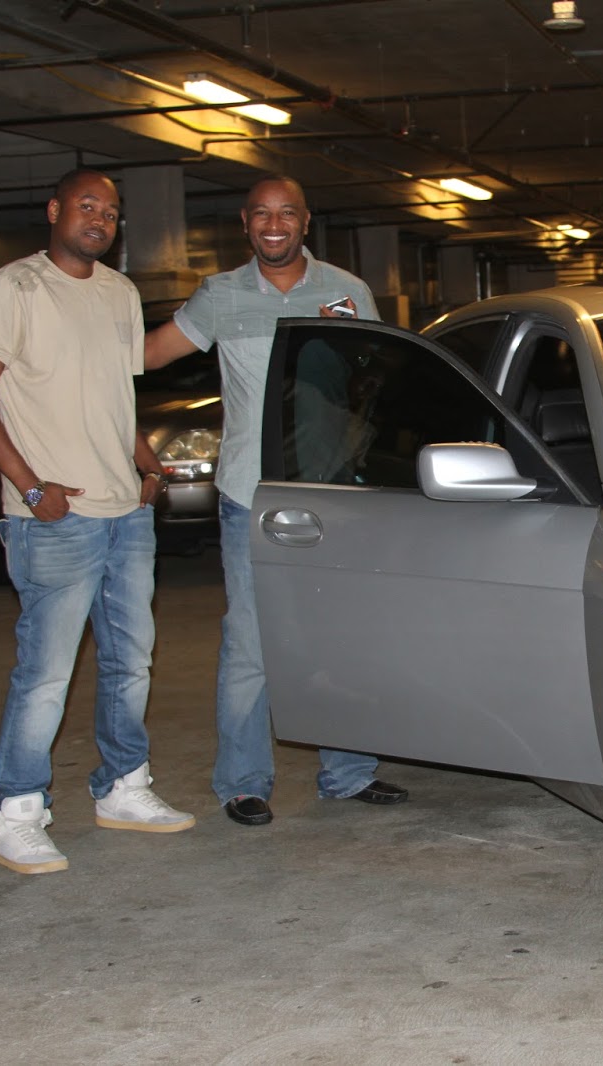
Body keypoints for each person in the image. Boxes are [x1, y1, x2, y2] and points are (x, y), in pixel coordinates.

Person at [144, 174, 408, 826]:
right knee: (251, 643)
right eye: (261, 214)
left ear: (305, 221)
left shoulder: (347, 291)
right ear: (245, 222)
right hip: (250, 495)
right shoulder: (221, 295)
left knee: (339, 637)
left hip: (334, 494)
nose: (273, 225)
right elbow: (146, 355)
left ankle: (347, 773)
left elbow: (382, 377)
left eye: (286, 213)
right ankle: (243, 783)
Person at [0, 168, 195, 875]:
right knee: (46, 674)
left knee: (131, 662)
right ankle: (17, 811)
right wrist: (30, 489)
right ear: (54, 209)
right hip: (54, 519)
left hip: (127, 514)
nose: (100, 220)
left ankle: (123, 786)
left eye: (112, 212)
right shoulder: (15, 288)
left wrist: (148, 466)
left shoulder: (120, 292)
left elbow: (114, 394)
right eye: (87, 206)